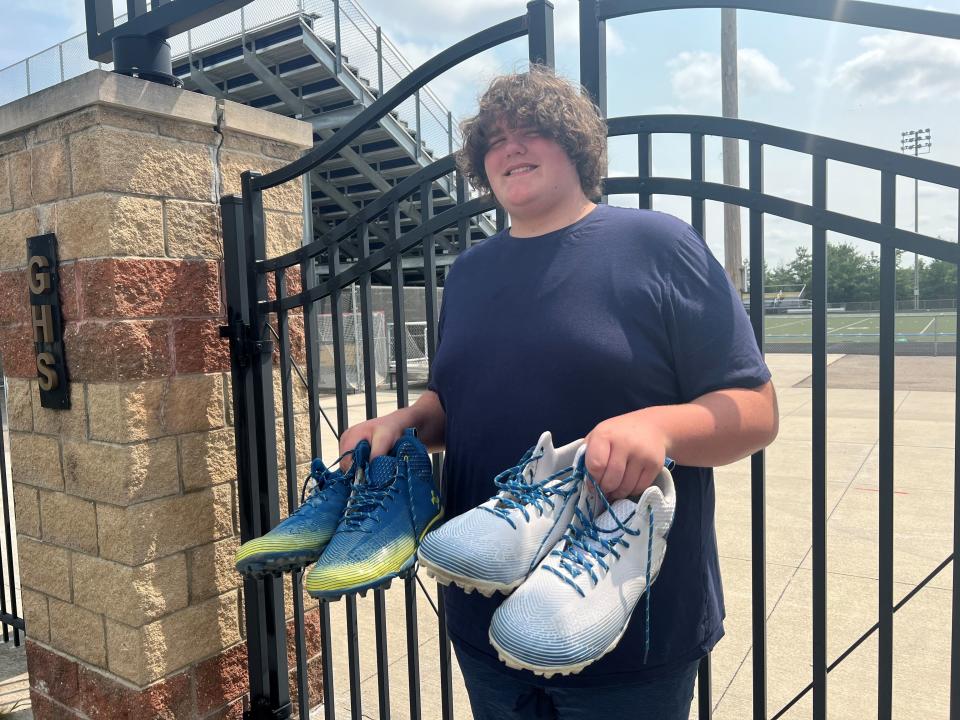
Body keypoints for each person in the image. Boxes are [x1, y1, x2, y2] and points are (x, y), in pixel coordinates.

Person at [339, 66, 778, 720]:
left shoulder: (657, 245)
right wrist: (402, 422)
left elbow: (755, 411)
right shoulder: (469, 272)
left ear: (575, 147)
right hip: (486, 623)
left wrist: (658, 428)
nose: (510, 147)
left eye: (532, 131)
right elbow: (454, 407)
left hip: (625, 629)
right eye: (494, 139)